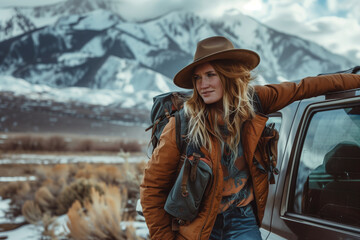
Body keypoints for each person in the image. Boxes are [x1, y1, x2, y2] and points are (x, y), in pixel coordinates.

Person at [140, 36, 360, 240]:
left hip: (242, 219)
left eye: (210, 75)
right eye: (198, 78)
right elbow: (152, 188)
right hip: (199, 223)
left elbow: (304, 88)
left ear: (230, 75)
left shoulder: (255, 101)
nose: (202, 84)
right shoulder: (182, 123)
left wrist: (355, 80)